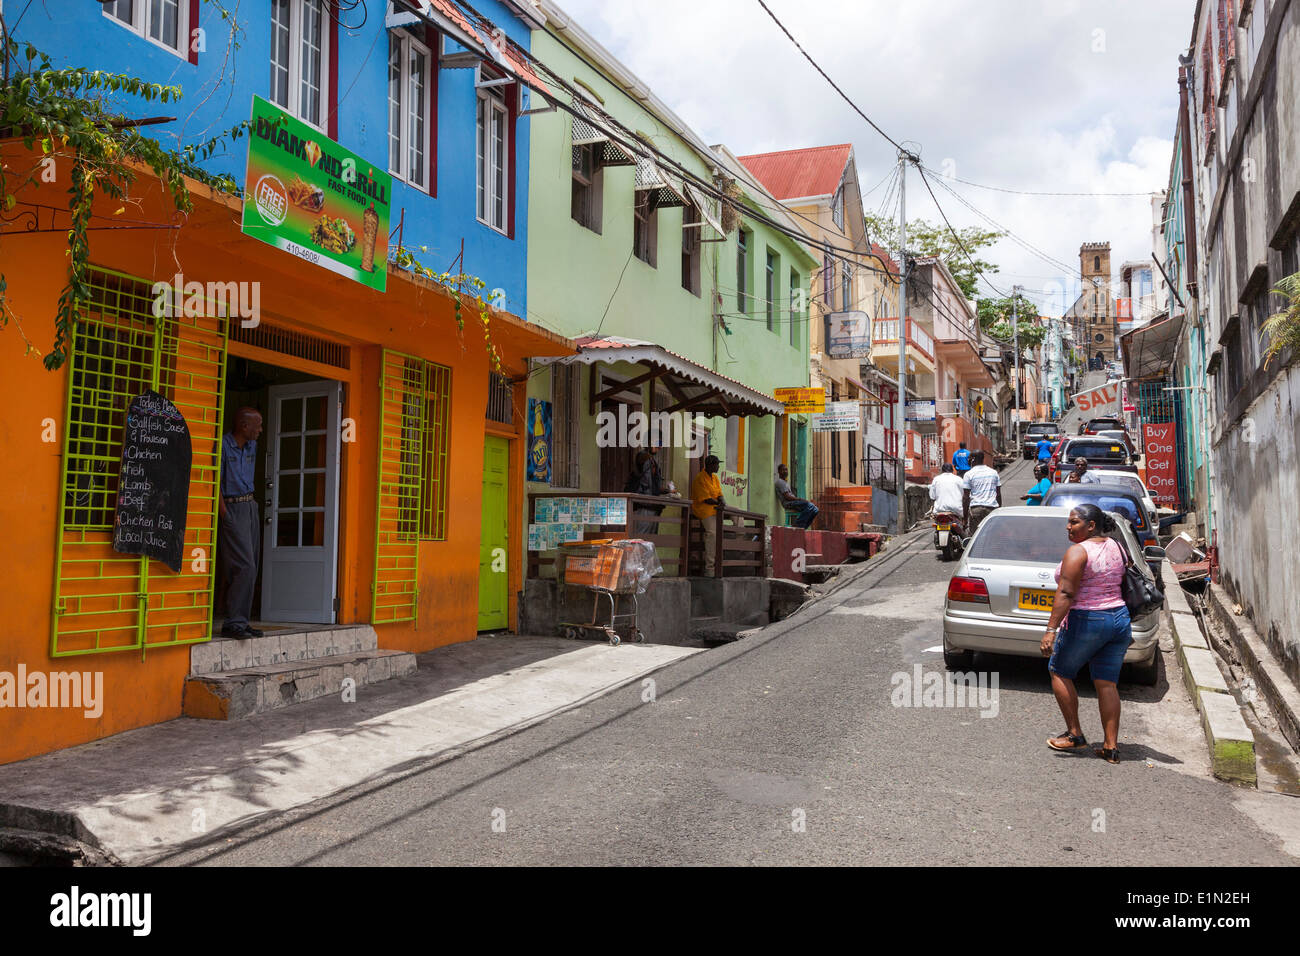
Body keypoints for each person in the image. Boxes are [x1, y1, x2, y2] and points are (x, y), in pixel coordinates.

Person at [1041, 504, 1133, 764]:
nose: (1068, 527)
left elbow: (1066, 593)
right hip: (1119, 618)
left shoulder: (1078, 552)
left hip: (1088, 619)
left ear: (1091, 525)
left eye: (1074, 522)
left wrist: (1051, 630)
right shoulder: (1116, 546)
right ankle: (1111, 747)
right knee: (1107, 683)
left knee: (1059, 670)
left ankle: (1074, 735)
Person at [218, 407, 264, 639]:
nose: (261, 430)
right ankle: (233, 623)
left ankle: (241, 621)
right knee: (244, 566)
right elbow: (215, 483)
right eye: (258, 425)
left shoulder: (252, 446)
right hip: (232, 507)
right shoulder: (223, 446)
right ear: (244, 426)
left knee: (252, 566)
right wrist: (225, 515)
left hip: (250, 507)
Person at [690, 455, 725, 575]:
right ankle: (710, 568)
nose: (718, 466)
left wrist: (722, 501)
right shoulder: (700, 478)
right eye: (716, 464)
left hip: (716, 509)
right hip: (704, 510)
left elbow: (719, 494)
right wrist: (719, 503)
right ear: (710, 465)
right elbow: (706, 499)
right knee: (713, 534)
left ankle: (740, 540)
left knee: (737, 514)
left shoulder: (715, 478)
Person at [961, 450, 1001, 534]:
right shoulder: (993, 473)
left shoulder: (968, 474)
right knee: (991, 535)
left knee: (975, 536)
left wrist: (965, 519)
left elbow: (966, 497)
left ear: (973, 459)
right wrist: (999, 510)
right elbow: (998, 494)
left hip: (976, 510)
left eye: (969, 458)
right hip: (992, 509)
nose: (968, 460)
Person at [626, 449, 663, 536]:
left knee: (648, 536)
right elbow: (647, 483)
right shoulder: (645, 459)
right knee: (642, 535)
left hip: (649, 504)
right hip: (645, 504)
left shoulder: (650, 460)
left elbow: (651, 485)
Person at [775, 463, 818, 529]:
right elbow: (787, 497)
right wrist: (799, 499)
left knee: (815, 509)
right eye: (783, 470)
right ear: (779, 472)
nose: (785, 471)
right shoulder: (780, 482)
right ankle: (797, 526)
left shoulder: (785, 482)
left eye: (786, 470)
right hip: (788, 503)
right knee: (810, 506)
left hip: (793, 502)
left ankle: (803, 527)